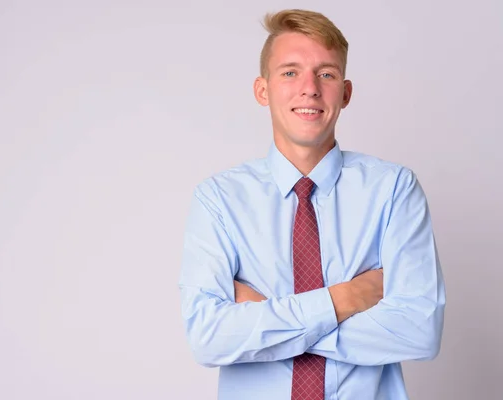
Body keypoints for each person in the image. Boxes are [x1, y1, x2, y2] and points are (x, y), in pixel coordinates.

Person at [178, 9, 445, 400]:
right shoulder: (218, 200)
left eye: (327, 74)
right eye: (290, 72)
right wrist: (345, 299)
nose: (310, 88)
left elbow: (420, 331)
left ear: (346, 92)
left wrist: (270, 315)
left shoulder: (394, 191)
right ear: (262, 90)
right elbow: (208, 339)